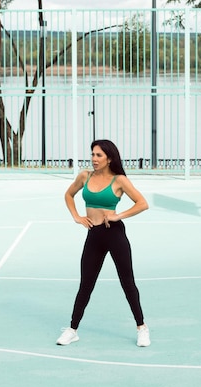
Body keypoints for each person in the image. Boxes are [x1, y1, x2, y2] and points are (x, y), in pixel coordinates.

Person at [56, 139, 150, 347]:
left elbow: (143, 204)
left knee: (127, 282)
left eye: (99, 155)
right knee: (86, 284)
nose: (94, 159)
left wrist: (119, 215)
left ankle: (142, 328)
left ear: (109, 158)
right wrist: (77, 216)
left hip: (114, 234)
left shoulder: (119, 180)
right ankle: (72, 330)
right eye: (92, 154)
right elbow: (69, 194)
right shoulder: (84, 176)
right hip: (93, 235)